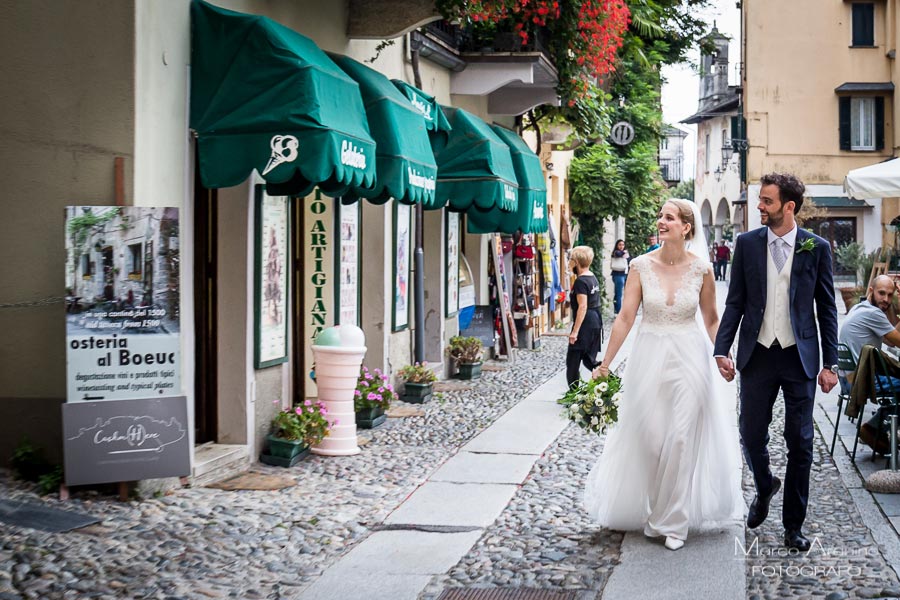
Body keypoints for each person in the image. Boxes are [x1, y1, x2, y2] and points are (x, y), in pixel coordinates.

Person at [584, 199, 743, 552]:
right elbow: (625, 318)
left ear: (686, 227)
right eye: (660, 216)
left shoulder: (702, 270)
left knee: (682, 438)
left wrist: (722, 354)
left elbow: (711, 319)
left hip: (689, 357)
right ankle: (657, 510)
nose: (661, 221)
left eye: (668, 218)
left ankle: (673, 523)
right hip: (649, 356)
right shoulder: (641, 266)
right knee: (653, 439)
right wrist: (605, 364)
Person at [714, 172, 838, 552]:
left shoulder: (816, 248)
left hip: (799, 357)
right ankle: (765, 484)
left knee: (800, 443)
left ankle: (793, 526)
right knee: (751, 434)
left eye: (766, 201)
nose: (759, 206)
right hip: (758, 353)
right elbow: (735, 301)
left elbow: (827, 308)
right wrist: (722, 349)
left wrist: (830, 363)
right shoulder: (747, 244)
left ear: (788, 206)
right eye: (760, 200)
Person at [566, 246, 603, 388]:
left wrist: (574, 332)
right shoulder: (592, 277)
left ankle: (573, 393)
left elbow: (583, 306)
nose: (569, 263)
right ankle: (608, 381)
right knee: (589, 359)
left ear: (576, 262)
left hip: (585, 322)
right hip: (595, 320)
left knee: (573, 361)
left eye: (570, 260)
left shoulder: (581, 282)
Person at [610, 239, 629, 315]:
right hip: (617, 274)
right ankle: (618, 311)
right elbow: (618, 254)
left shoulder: (624, 253)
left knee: (619, 293)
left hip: (624, 274)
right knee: (619, 294)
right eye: (620, 245)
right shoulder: (615, 252)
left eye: (623, 245)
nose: (621, 246)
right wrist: (624, 252)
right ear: (617, 245)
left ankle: (617, 309)